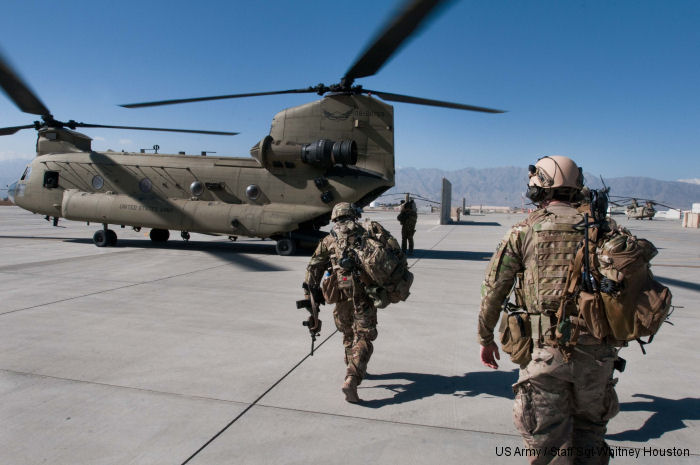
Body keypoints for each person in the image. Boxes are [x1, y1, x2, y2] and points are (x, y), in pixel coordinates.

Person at [478, 155, 620, 464]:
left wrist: (485, 337)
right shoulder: (605, 229)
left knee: (549, 448)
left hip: (545, 354)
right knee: (591, 436)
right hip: (598, 356)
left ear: (541, 187)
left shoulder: (524, 231)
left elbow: (493, 290)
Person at [304, 202, 403, 403]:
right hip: (365, 294)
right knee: (365, 336)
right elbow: (394, 251)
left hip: (340, 295)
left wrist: (310, 301)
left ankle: (352, 363)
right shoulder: (367, 234)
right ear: (354, 216)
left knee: (348, 332)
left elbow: (312, 270)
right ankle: (352, 377)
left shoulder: (329, 240)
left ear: (334, 219)